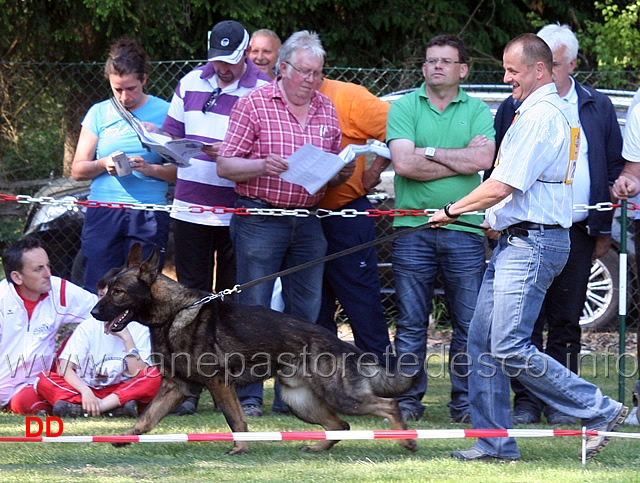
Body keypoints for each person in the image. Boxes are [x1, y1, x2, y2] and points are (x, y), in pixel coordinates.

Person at [430, 33, 627, 462]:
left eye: (513, 71)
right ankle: (494, 443)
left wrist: (452, 209)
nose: (506, 79)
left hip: (534, 243)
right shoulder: (533, 112)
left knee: (508, 345)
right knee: (482, 343)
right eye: (505, 70)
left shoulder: (540, 117)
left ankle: (598, 409)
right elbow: (517, 189)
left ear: (540, 69)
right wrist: (492, 219)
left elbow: (502, 184)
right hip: (518, 240)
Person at [217, 30, 349, 417]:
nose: (312, 81)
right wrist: (262, 165)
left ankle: (291, 396)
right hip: (261, 216)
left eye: (318, 74)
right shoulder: (253, 104)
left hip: (307, 219)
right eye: (305, 72)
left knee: (304, 311)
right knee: (254, 310)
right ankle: (249, 396)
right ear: (283, 68)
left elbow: (333, 166)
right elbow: (226, 165)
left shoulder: (326, 108)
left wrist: (340, 171)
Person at [501, 23, 624, 426]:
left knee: (567, 320)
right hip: (529, 228)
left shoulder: (596, 105)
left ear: (569, 64)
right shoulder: (515, 105)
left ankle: (564, 403)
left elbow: (608, 166)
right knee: (524, 325)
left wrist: (602, 227)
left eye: (553, 63)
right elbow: (501, 168)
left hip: (577, 229)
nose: (545, 70)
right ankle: (527, 402)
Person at [159, 20, 271, 415]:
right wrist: (170, 146)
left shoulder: (263, 89)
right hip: (190, 208)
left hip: (239, 211)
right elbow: (169, 135)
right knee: (187, 304)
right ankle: (186, 389)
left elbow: (269, 149)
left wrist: (231, 151)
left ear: (245, 54)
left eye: (231, 60)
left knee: (232, 306)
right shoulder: (190, 81)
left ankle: (241, 391)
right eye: (217, 60)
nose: (223, 68)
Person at [386, 34, 496, 423]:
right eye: (431, 61)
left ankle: (464, 404)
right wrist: (459, 160)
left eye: (446, 61)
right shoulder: (402, 107)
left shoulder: (480, 110)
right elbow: (403, 165)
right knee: (412, 323)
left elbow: (483, 159)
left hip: (464, 229)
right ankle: (408, 401)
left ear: (462, 69)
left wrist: (427, 151)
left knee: (468, 324)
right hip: (412, 229)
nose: (437, 67)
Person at [71, 37, 175, 294]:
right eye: (117, 89)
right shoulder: (99, 112)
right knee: (98, 283)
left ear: (144, 80)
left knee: (140, 289)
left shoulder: (167, 111)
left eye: (131, 88)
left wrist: (148, 168)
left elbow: (179, 171)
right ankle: (99, 334)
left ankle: (138, 335)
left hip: (148, 210)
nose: (124, 96)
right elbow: (77, 170)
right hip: (104, 210)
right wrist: (103, 163)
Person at [316, 77, 394, 364]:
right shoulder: (277, 98)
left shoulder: (350, 95)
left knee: (362, 304)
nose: (305, 78)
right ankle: (325, 384)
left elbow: (399, 130)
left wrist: (374, 172)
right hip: (300, 219)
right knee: (313, 311)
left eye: (311, 71)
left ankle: (383, 381)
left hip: (346, 214)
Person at [36, 268, 161, 418]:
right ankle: (115, 409)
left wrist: (127, 339)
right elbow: (65, 368)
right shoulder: (88, 326)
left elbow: (138, 374)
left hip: (121, 390)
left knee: (154, 376)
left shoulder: (139, 328)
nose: (105, 303)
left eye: (112, 297)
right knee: (43, 380)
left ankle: (91, 407)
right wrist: (85, 391)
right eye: (101, 296)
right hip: (88, 389)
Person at [0, 238, 97, 415]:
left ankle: (98, 399)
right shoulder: (2, 299)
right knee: (25, 402)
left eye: (48, 266)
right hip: (7, 385)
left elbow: (101, 311)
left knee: (90, 329)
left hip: (44, 380)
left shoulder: (58, 289)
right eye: (39, 269)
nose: (48, 274)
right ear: (16, 277)